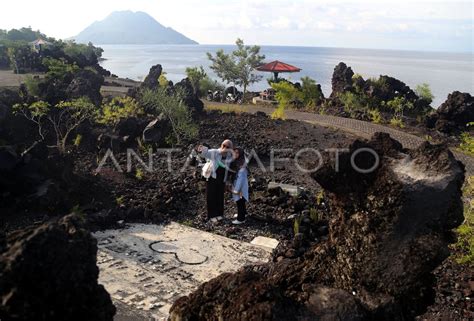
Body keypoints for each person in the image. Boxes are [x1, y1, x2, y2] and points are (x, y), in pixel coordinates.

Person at [197, 139, 234, 223]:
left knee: (220, 196)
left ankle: (219, 214)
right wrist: (201, 149)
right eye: (223, 145)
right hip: (212, 178)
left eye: (227, 147)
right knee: (211, 196)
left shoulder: (229, 156)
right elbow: (205, 153)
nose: (224, 148)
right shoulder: (215, 152)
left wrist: (228, 181)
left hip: (222, 179)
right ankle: (211, 215)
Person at [229, 147, 249, 225]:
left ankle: (241, 219)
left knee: (240, 202)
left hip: (240, 187)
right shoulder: (237, 163)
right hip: (237, 185)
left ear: (240, 154)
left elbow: (241, 179)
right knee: (241, 202)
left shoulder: (242, 166)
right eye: (234, 152)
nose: (235, 154)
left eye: (237, 153)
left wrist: (236, 190)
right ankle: (243, 214)